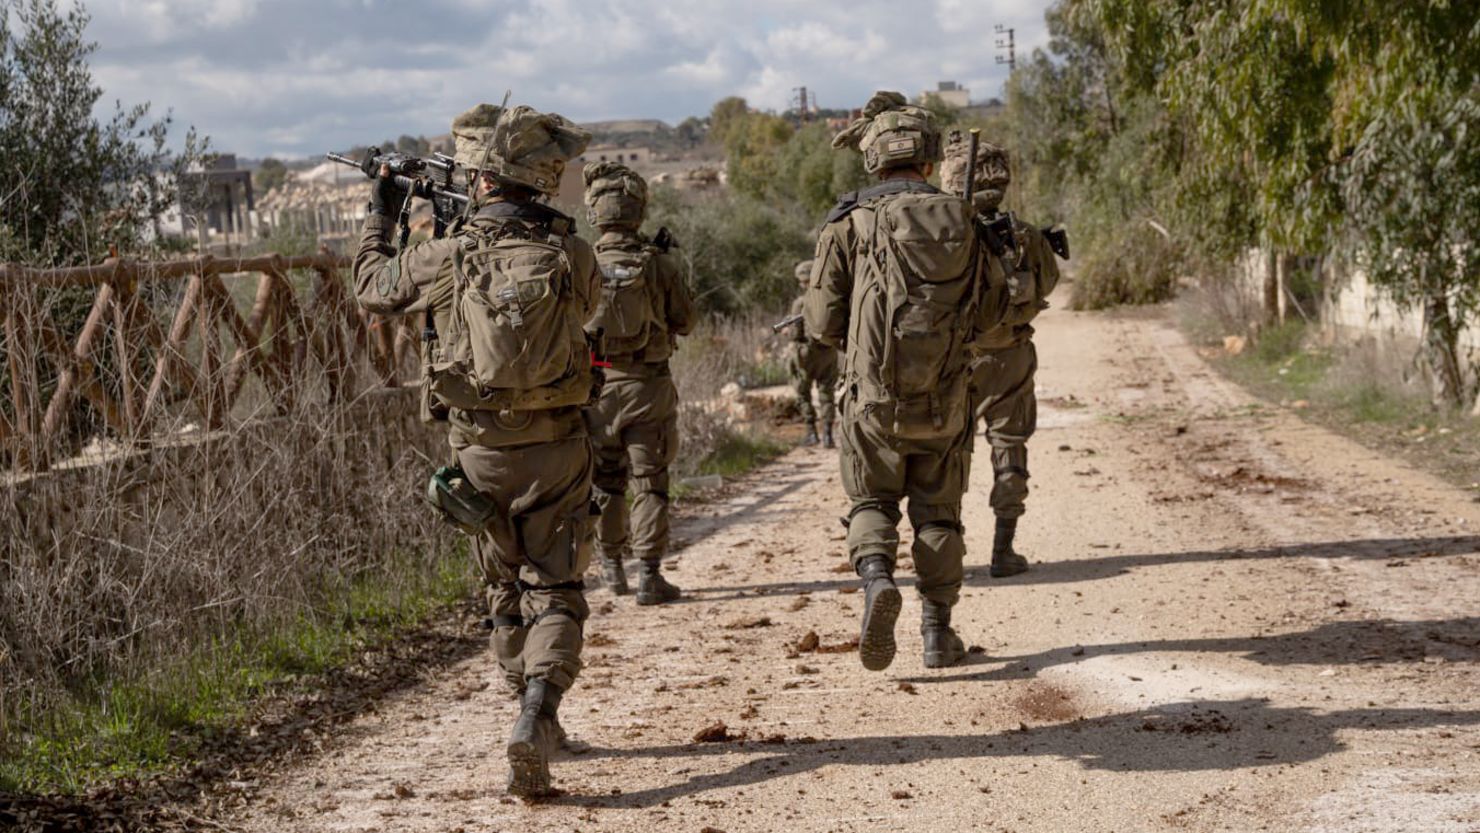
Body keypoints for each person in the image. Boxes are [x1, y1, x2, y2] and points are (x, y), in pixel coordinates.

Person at [353, 102, 595, 797]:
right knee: (558, 588)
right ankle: (539, 712)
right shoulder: (570, 250)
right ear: (538, 180)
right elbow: (592, 314)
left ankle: (524, 706)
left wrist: (384, 211)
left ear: (482, 178)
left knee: (504, 586)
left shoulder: (448, 255)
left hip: (478, 454)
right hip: (556, 447)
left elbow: (371, 289)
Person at [803, 91, 1010, 671]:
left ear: (873, 157)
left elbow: (821, 324)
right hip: (946, 399)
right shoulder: (964, 218)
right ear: (927, 159)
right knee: (938, 515)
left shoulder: (848, 223)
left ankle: (875, 581)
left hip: (871, 402)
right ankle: (938, 633)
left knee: (872, 500)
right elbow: (996, 318)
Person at [939, 131, 1064, 578]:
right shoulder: (1026, 236)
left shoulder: (944, 237)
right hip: (1010, 357)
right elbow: (1047, 285)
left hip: (956, 360)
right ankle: (1003, 550)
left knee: (949, 456)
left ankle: (945, 553)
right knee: (1009, 448)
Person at [580, 161, 696, 604]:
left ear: (595, 214)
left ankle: (611, 566)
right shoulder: (657, 264)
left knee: (607, 482)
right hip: (648, 389)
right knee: (649, 481)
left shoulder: (581, 262)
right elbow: (685, 322)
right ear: (638, 211)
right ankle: (649, 573)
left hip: (597, 390)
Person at [787, 259, 838, 448]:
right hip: (829, 353)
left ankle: (811, 433)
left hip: (806, 353)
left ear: (802, 281)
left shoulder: (800, 303)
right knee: (827, 394)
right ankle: (828, 435)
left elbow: (795, 334)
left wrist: (789, 334)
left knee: (803, 392)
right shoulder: (831, 299)